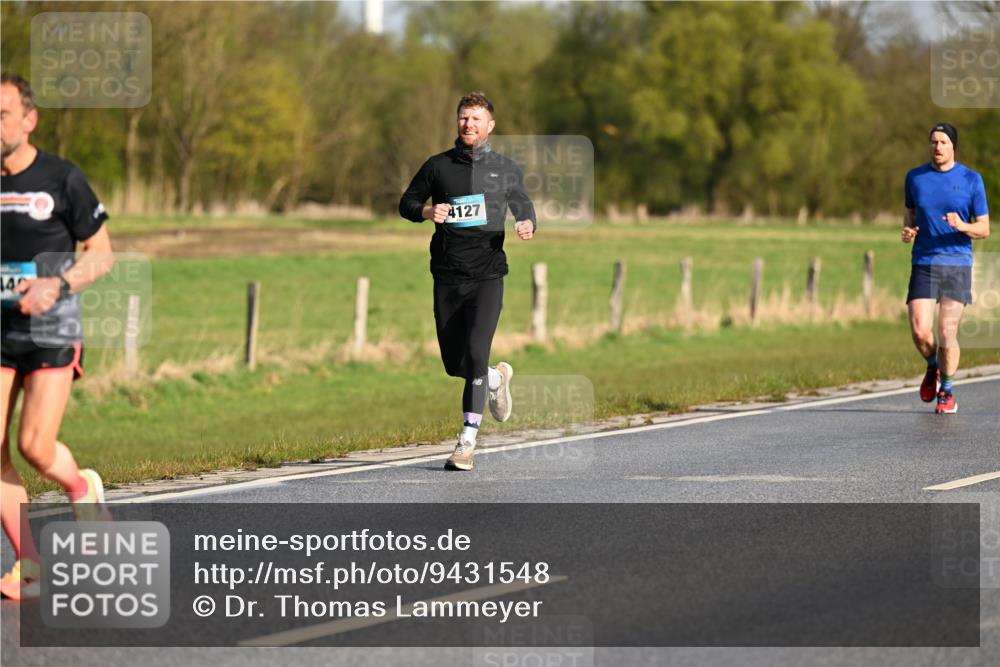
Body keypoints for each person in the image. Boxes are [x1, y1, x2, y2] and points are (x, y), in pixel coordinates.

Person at [0, 73, 115, 598]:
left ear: (29, 120)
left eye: (3, 114)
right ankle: (30, 564)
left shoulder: (61, 178)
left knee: (34, 446)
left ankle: (80, 487)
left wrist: (56, 285)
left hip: (51, 327)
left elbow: (102, 255)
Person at [399, 92, 536, 471]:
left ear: (490, 125)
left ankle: (466, 442)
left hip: (487, 276)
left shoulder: (505, 169)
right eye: (463, 117)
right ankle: (494, 378)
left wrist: (527, 221)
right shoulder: (438, 166)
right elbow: (406, 203)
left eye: (476, 118)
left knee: (476, 352)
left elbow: (523, 204)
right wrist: (427, 211)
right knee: (454, 363)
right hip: (447, 275)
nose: (468, 124)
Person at [902, 123, 990, 414]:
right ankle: (933, 367)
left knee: (946, 332)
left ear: (953, 146)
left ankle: (947, 392)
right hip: (924, 262)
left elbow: (984, 228)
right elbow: (910, 214)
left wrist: (961, 225)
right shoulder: (915, 177)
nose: (937, 147)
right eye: (933, 142)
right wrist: (908, 230)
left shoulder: (971, 179)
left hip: (956, 264)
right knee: (920, 332)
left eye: (943, 142)